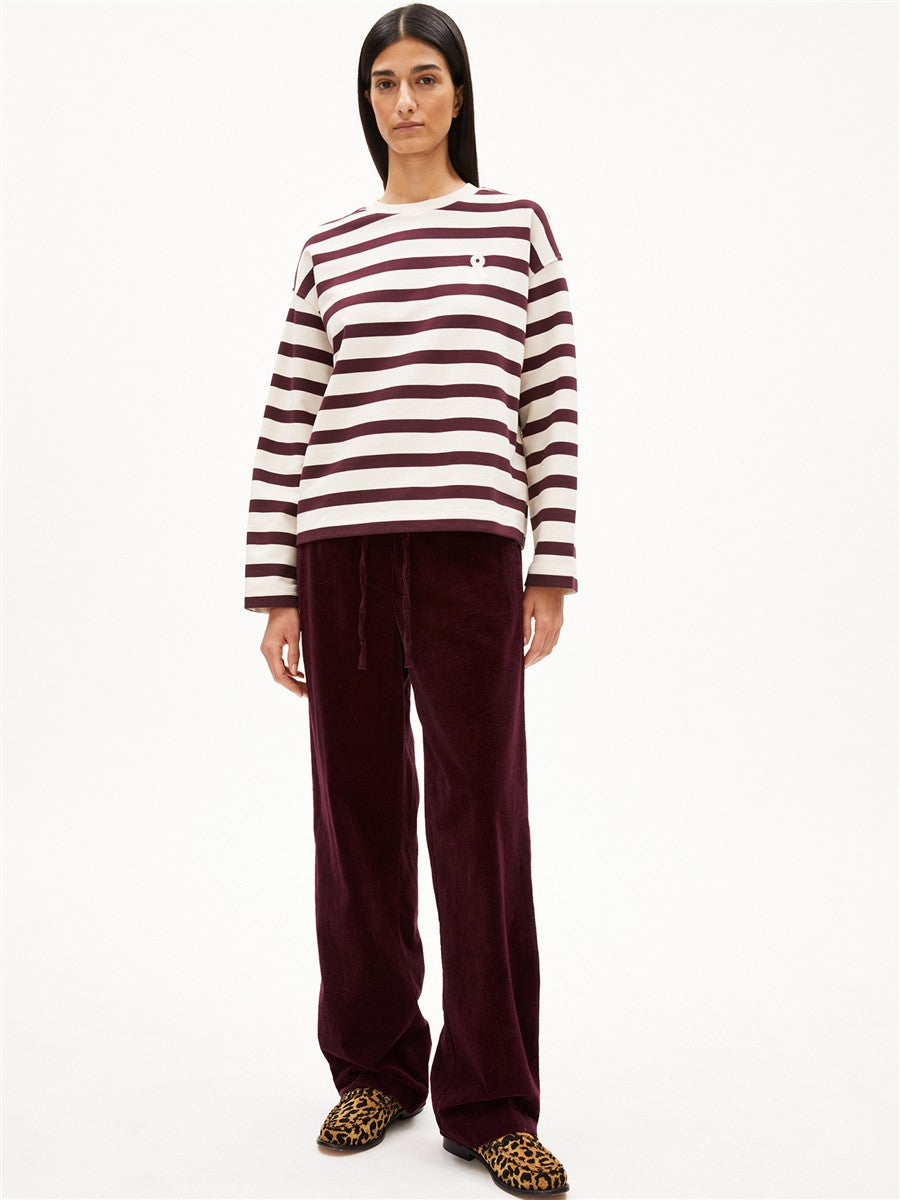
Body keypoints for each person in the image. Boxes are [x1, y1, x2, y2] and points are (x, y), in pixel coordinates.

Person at [244, 4, 577, 1195]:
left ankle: (492, 1100)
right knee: (357, 818)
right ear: (367, 101)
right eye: (385, 82)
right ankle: (376, 1069)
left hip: (469, 555)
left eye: (425, 78)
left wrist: (551, 565)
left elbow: (550, 406)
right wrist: (275, 588)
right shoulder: (330, 246)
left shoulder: (515, 227)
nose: (405, 101)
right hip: (338, 552)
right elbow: (289, 414)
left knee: (480, 821)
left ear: (459, 92)